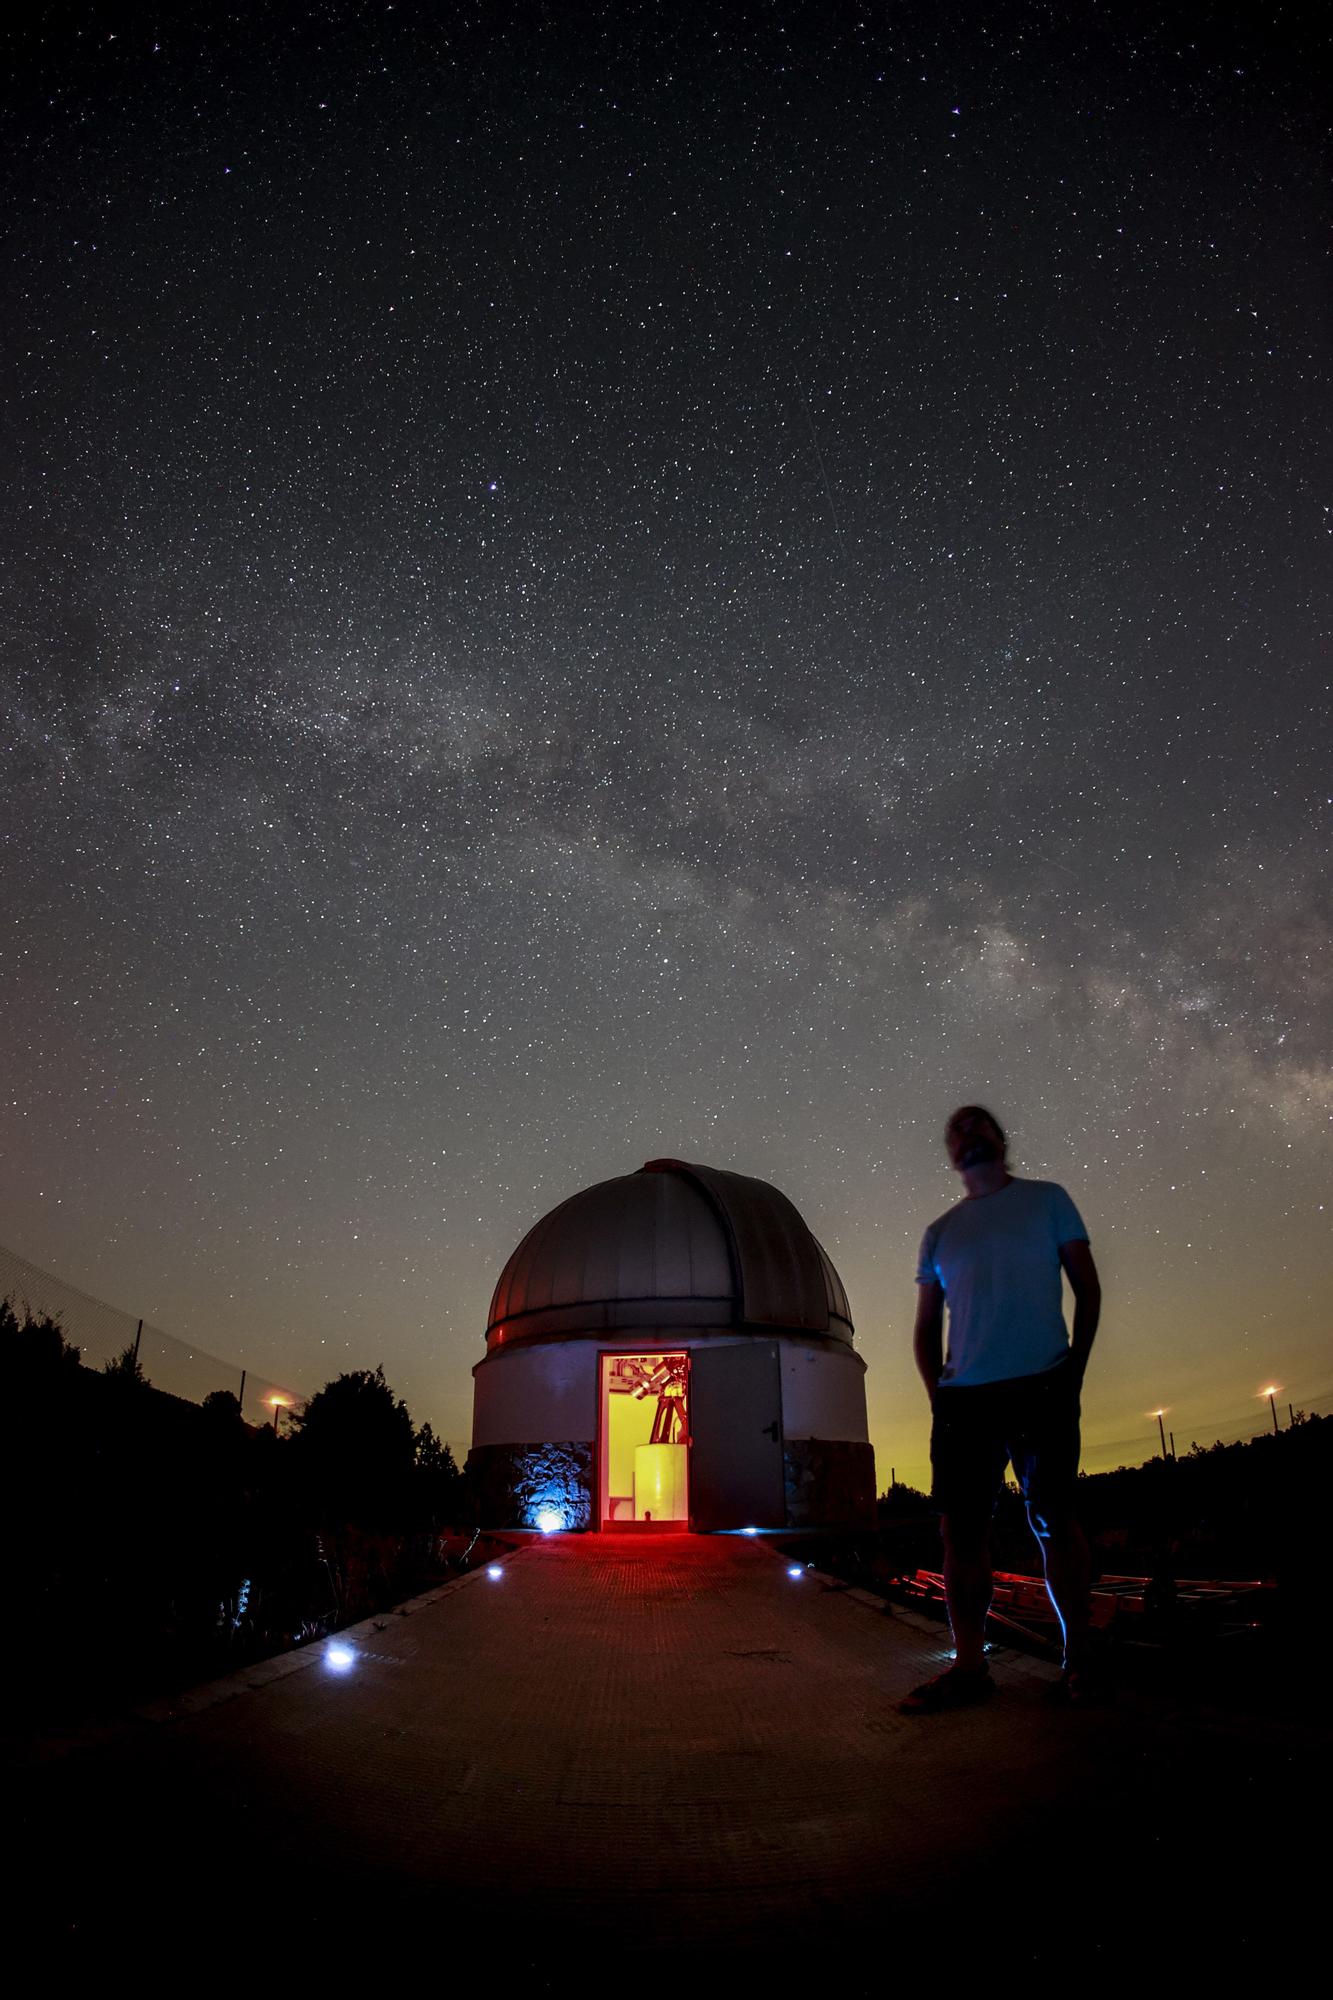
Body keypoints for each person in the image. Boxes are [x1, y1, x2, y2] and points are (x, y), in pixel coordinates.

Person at [901, 1105, 1102, 1712]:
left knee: (1055, 1521)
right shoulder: (940, 1233)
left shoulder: (1048, 1201)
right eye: (956, 1131)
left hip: (1043, 1385)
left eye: (977, 1124)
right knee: (960, 1536)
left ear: (999, 1136)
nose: (968, 1135)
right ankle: (970, 1668)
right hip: (966, 1401)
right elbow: (926, 1325)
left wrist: (1075, 1370)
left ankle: (1079, 1663)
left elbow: (1087, 1289)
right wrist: (941, 1399)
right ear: (950, 1153)